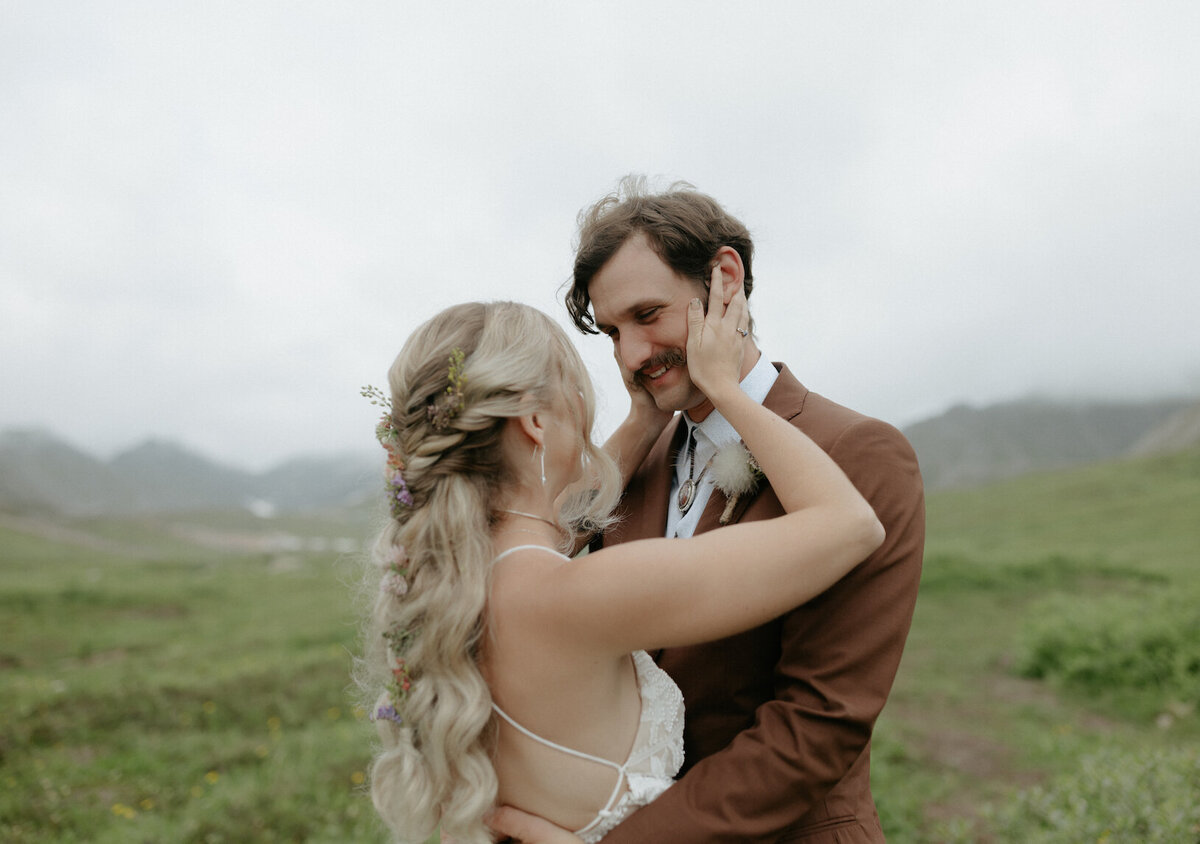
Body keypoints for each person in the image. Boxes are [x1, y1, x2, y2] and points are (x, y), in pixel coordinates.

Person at [357, 285, 884, 844]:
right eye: (573, 386)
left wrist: (643, 418)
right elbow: (850, 524)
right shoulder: (576, 596)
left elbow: (556, 523)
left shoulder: (454, 588)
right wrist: (725, 389)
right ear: (534, 421)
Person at [491, 178, 925, 843]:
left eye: (647, 315)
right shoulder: (641, 452)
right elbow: (538, 552)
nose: (630, 355)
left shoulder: (857, 452)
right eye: (612, 333)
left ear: (725, 280)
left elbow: (819, 724)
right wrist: (642, 418)